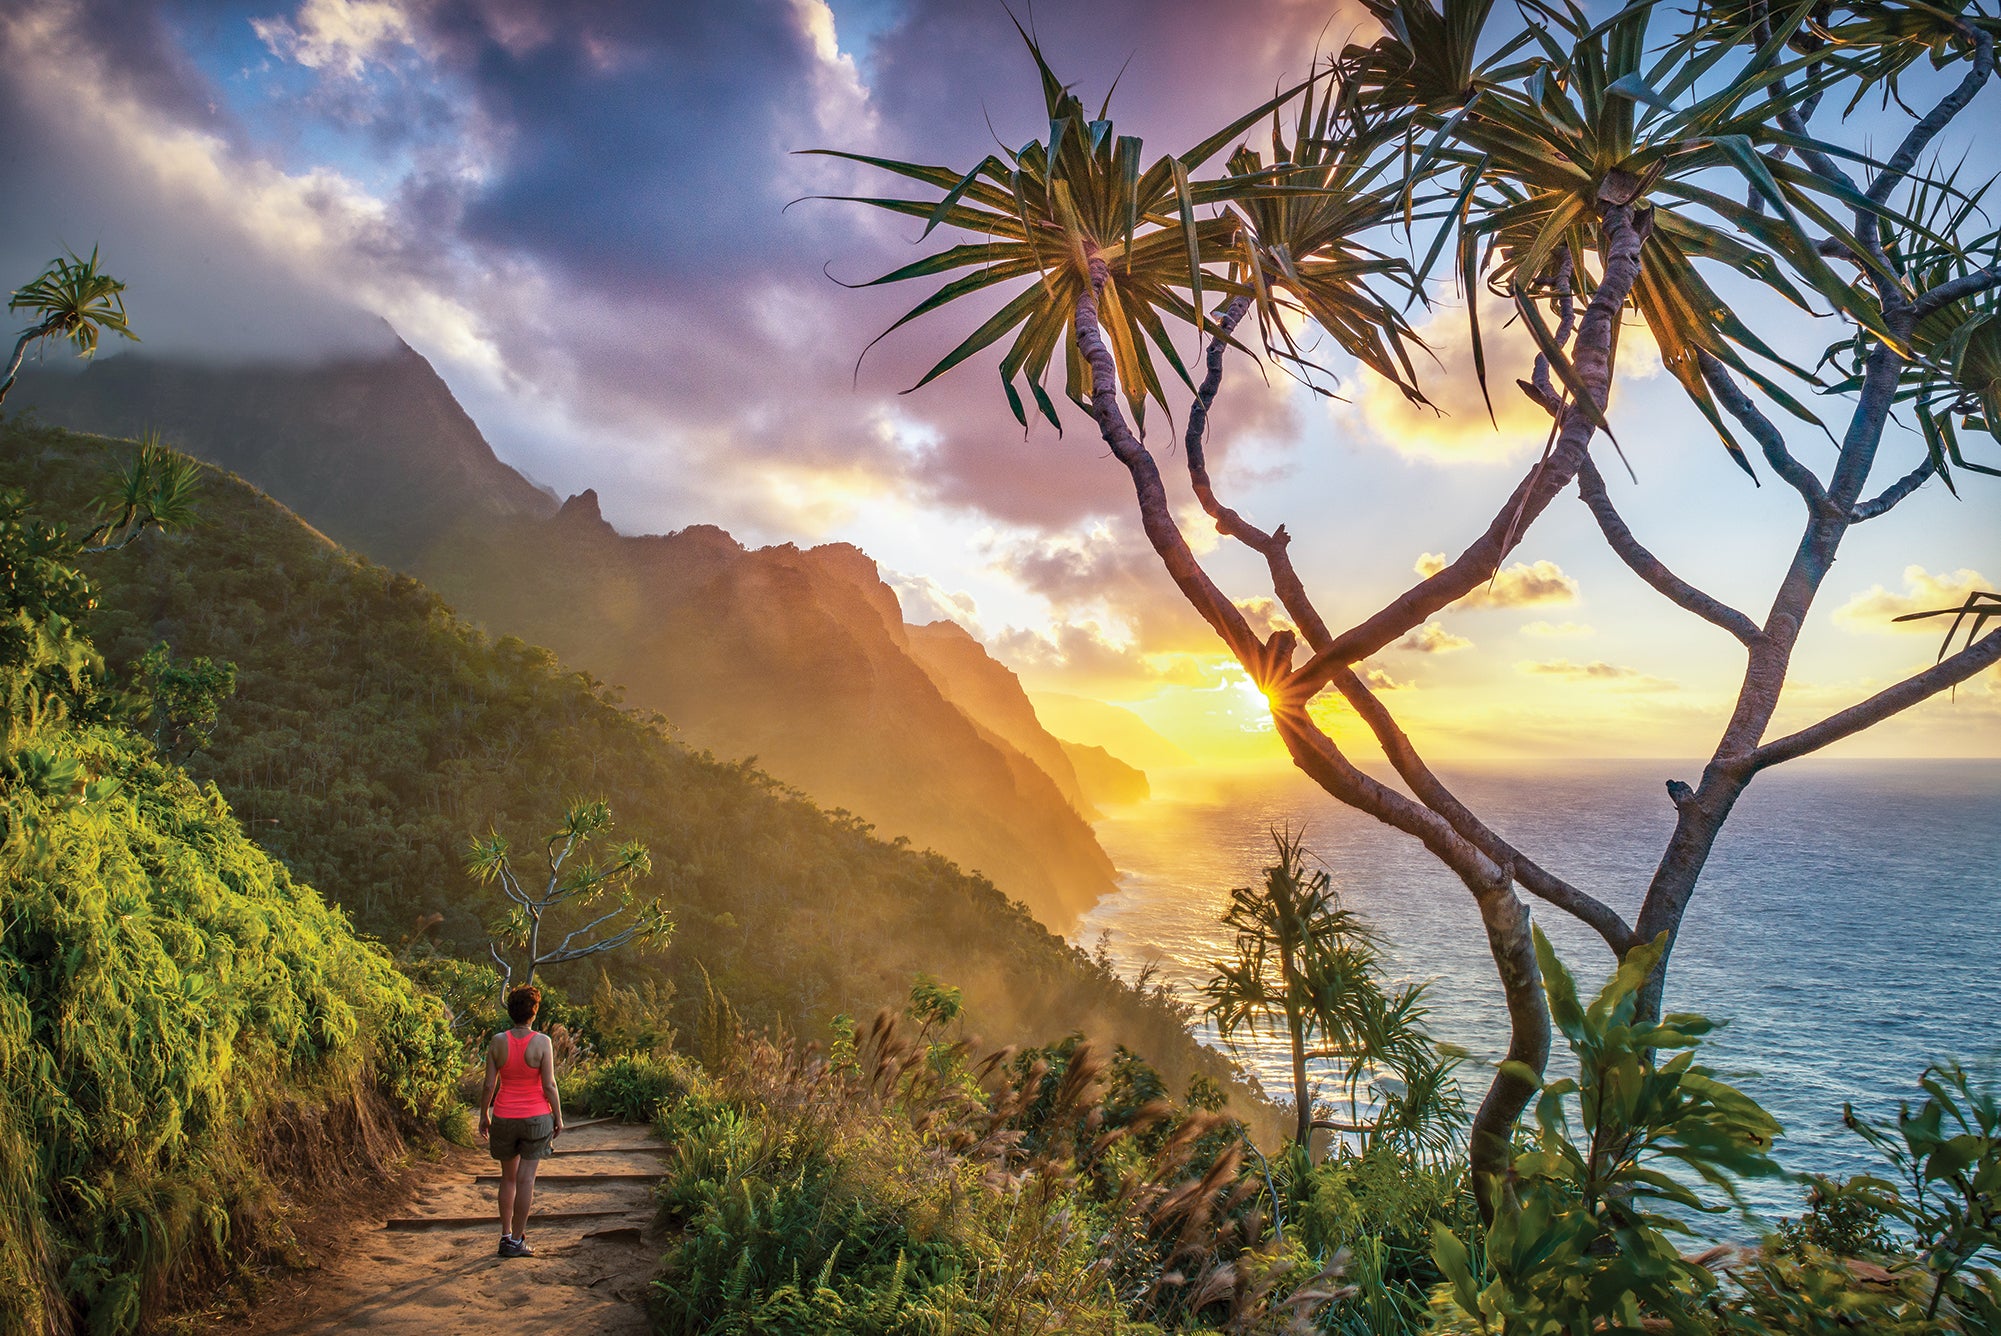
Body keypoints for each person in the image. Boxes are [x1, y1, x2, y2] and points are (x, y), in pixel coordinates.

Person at [479, 983, 564, 1257]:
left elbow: (488, 1085)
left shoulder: (497, 1041)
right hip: (536, 1118)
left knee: (508, 1179)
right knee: (527, 1179)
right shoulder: (542, 1042)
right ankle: (517, 1241)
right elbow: (549, 1084)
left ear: (511, 1011)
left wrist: (484, 1114)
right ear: (533, 1013)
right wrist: (558, 1117)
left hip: (503, 1116)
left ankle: (505, 1236)